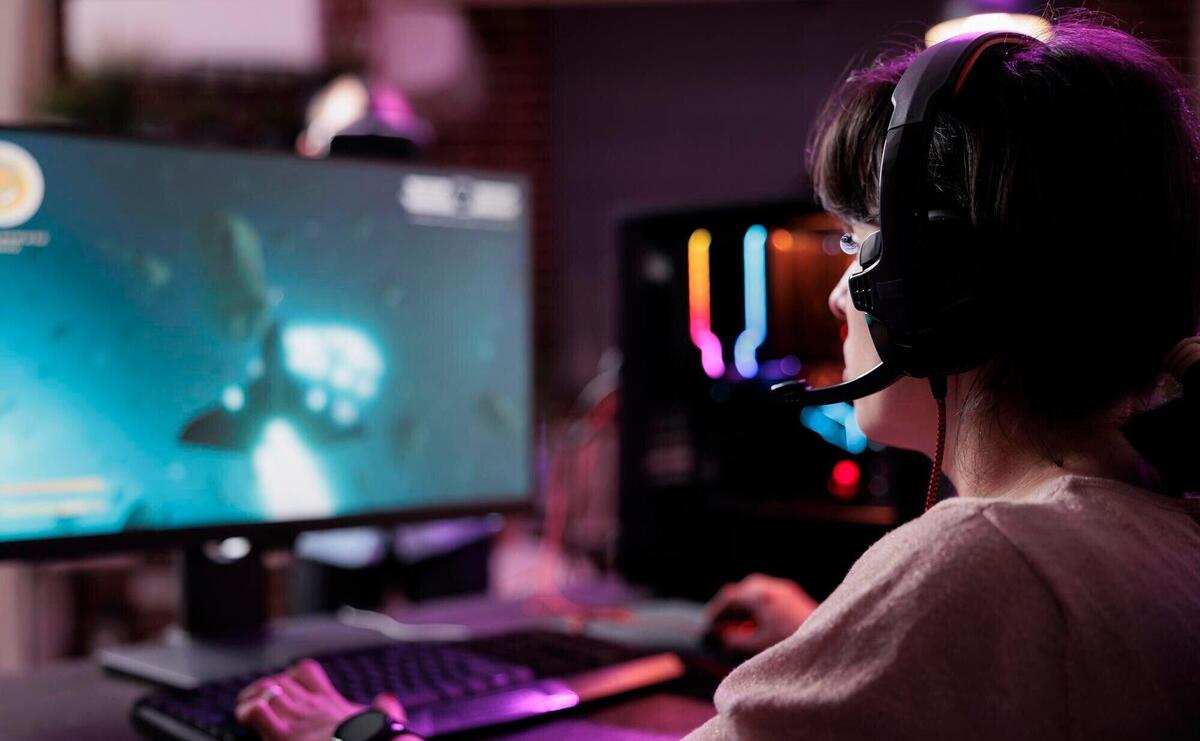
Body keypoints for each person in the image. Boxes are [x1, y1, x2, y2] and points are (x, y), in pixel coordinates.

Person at [238, 13, 1200, 740]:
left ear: (938, 291)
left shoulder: (977, 565)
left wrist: (355, 732)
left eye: (860, 246)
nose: (837, 298)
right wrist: (835, 638)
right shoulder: (1155, 530)